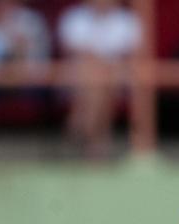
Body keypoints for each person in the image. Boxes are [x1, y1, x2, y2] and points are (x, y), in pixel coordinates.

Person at [57, 0, 141, 158]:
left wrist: (103, 66)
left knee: (101, 79)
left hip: (117, 76)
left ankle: (81, 124)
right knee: (95, 78)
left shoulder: (127, 20)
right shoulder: (74, 17)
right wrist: (100, 65)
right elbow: (75, 54)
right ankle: (98, 143)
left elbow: (127, 57)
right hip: (78, 77)